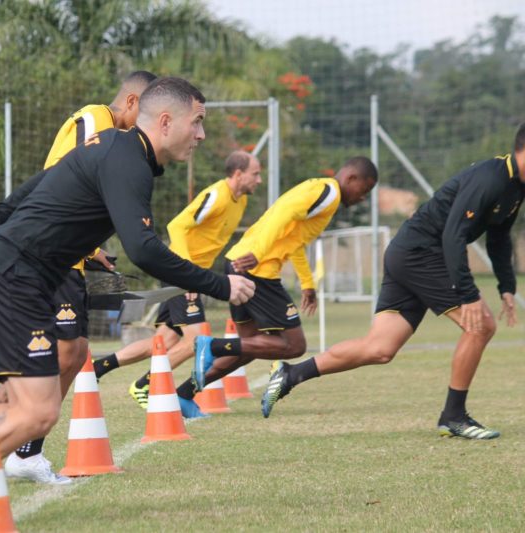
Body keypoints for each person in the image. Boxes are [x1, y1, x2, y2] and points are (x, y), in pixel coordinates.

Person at [0, 76, 256, 527]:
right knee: (37, 412)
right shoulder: (125, 157)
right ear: (167, 121)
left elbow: (42, 182)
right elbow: (143, 249)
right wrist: (220, 285)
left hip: (22, 279)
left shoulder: (114, 147)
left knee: (19, 408)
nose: (202, 135)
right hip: (12, 278)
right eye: (198, 122)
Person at [0, 70, 156, 485]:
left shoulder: (114, 134)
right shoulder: (97, 121)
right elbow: (62, 179)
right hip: (46, 257)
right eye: (146, 113)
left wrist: (91, 250)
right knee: (61, 354)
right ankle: (5, 438)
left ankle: (16, 441)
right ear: (132, 102)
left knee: (73, 353)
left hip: (64, 256)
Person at [261, 125, 525, 440]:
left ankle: (290, 374)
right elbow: (453, 235)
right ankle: (453, 416)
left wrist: (506, 287)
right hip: (419, 254)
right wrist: (468, 295)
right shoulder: (491, 177)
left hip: (409, 253)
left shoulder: (516, 187)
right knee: (480, 325)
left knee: (380, 348)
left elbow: (499, 236)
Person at [189, 157, 378, 407]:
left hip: (239, 262)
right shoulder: (329, 193)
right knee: (294, 346)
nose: (363, 197)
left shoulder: (319, 189)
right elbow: (283, 214)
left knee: (249, 347)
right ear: (351, 178)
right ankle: (212, 345)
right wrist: (258, 252)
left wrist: (307, 283)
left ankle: (184, 392)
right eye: (365, 189)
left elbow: (294, 239)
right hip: (257, 270)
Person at [93, 150, 263, 418]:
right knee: (196, 340)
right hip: (184, 274)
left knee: (164, 340)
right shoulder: (216, 196)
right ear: (238, 174)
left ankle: (100, 367)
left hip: (191, 275)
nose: (259, 180)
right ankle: (145, 385)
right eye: (255, 174)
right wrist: (187, 273)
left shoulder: (239, 201)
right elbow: (177, 226)